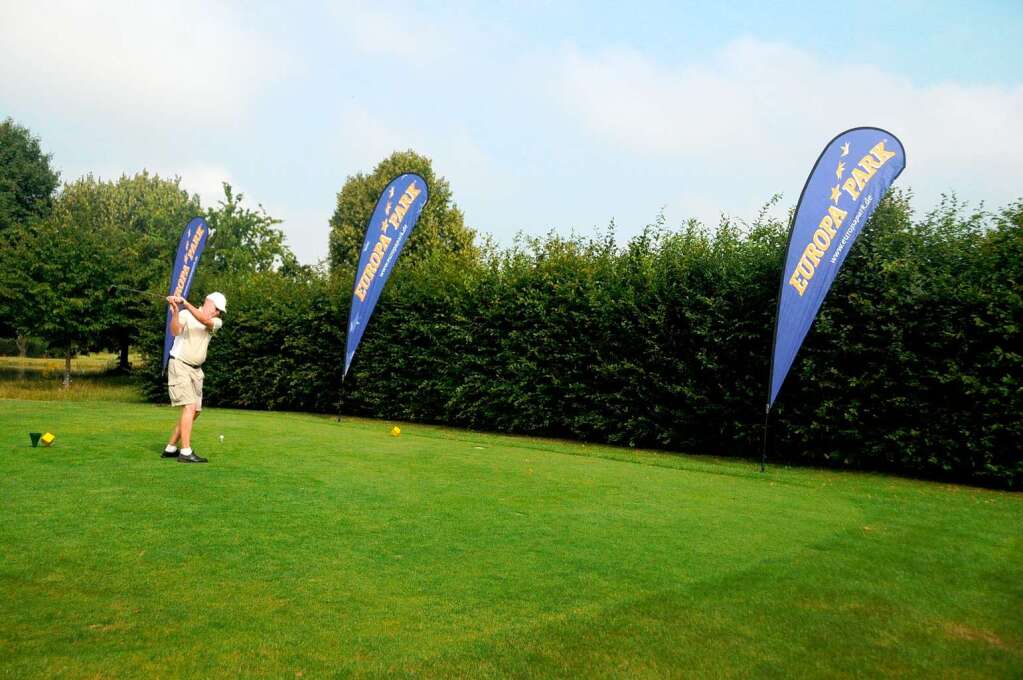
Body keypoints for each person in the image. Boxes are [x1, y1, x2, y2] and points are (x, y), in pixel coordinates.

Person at [162, 292, 226, 463]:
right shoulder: (184, 314)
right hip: (180, 365)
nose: (218, 313)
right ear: (208, 302)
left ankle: (170, 447)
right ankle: (185, 451)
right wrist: (176, 310)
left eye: (220, 311)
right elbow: (175, 331)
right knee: (189, 407)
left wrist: (185, 303)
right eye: (217, 309)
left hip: (197, 371)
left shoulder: (216, 322)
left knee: (195, 410)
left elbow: (204, 320)